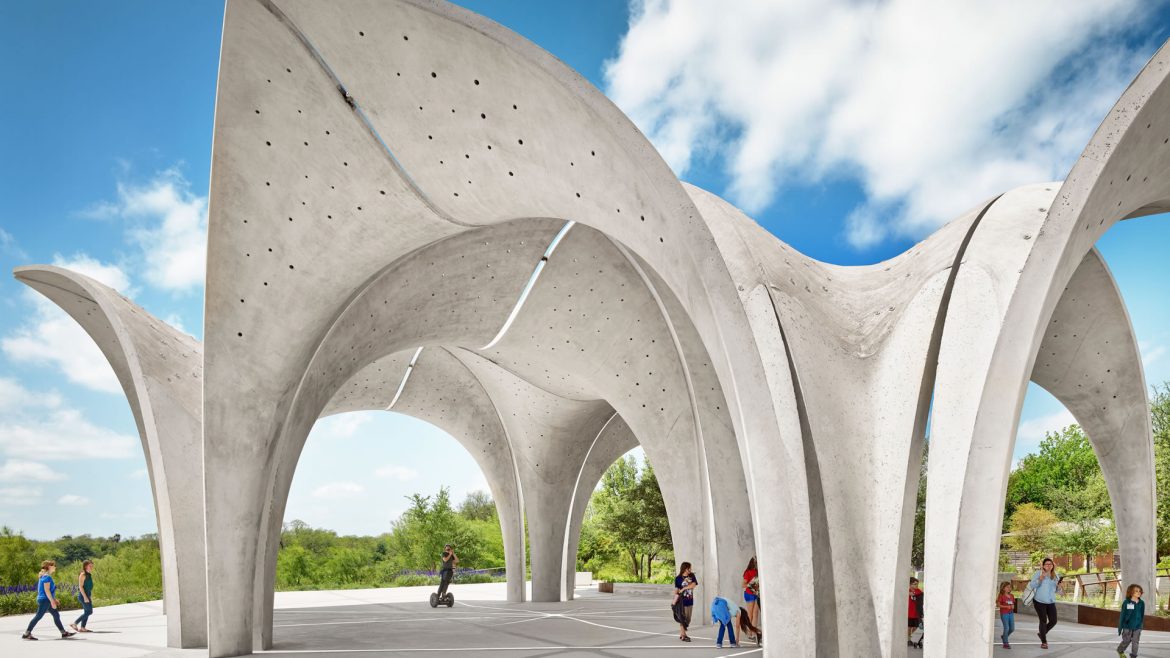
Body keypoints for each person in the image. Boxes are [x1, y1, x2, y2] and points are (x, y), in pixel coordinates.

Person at [22, 560, 75, 640]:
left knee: (56, 615)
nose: (55, 567)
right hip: (45, 600)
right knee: (38, 616)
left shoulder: (44, 576)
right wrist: (52, 601)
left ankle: (63, 633)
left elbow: (47, 591)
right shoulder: (47, 577)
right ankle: (26, 633)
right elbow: (47, 590)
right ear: (49, 567)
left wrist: (53, 599)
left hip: (46, 599)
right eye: (54, 566)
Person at [1027, 557, 1062, 649]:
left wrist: (1059, 587)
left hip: (1050, 601)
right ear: (1043, 566)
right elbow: (1032, 585)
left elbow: (1057, 591)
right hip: (1039, 601)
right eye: (1047, 564)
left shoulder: (1055, 575)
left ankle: (1041, 633)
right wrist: (1040, 579)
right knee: (1043, 621)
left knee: (1053, 621)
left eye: (1050, 564)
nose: (1049, 566)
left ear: (1053, 566)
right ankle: (1044, 642)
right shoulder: (1038, 573)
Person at [1117, 583, 1145, 658]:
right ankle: (1120, 650)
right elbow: (1122, 615)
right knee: (1126, 641)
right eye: (1136, 591)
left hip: (1137, 627)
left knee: (1135, 642)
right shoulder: (1126, 602)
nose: (1139, 592)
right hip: (1127, 626)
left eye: (1140, 591)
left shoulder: (1142, 603)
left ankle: (1133, 655)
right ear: (1131, 592)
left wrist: (1141, 625)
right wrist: (1120, 628)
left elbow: (1142, 615)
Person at [673, 562, 698, 642]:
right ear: (685, 568)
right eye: (689, 568)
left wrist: (683, 589)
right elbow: (676, 590)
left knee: (688, 619)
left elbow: (693, 585)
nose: (690, 569)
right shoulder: (678, 578)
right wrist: (674, 600)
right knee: (683, 618)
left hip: (690, 600)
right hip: (682, 602)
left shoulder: (692, 576)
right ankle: (684, 635)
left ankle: (681, 634)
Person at [71, 560, 95, 633]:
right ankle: (75, 623)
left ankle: (82, 628)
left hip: (87, 595)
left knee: (86, 611)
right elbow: (80, 587)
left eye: (92, 566)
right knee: (89, 611)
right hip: (83, 596)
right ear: (85, 566)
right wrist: (85, 597)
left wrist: (88, 596)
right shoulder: (83, 574)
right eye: (90, 566)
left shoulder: (89, 574)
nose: (91, 567)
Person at [742, 556, 760, 638]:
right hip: (749, 594)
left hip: (756, 594)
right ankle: (749, 632)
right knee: (750, 614)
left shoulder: (758, 572)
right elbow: (743, 585)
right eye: (756, 562)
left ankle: (754, 632)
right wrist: (752, 585)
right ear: (753, 562)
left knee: (756, 613)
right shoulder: (747, 572)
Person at [997, 580, 1016, 649]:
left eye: (1010, 587)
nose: (1009, 588)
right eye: (1007, 587)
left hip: (1011, 614)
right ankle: (1005, 643)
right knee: (1006, 628)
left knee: (1012, 628)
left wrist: (1013, 606)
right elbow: (998, 605)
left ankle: (1004, 636)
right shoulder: (1001, 595)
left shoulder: (1011, 596)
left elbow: (1013, 603)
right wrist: (1006, 607)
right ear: (1003, 588)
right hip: (1004, 614)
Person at [907, 578, 924, 647]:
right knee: (908, 627)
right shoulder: (907, 591)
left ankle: (913, 639)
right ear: (910, 584)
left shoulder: (918, 591)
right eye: (915, 584)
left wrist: (912, 593)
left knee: (915, 627)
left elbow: (918, 593)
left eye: (917, 584)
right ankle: (908, 639)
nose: (916, 585)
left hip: (916, 613)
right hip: (908, 613)